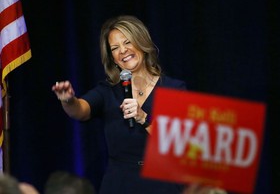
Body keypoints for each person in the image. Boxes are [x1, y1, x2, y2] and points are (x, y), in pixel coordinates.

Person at [52, 15, 187, 194]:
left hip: (163, 183)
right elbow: (81, 110)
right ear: (113, 59)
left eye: (127, 42)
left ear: (142, 43)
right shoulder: (108, 91)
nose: (123, 51)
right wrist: (68, 100)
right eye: (115, 48)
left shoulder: (173, 88)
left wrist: (144, 118)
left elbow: (177, 144)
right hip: (120, 183)